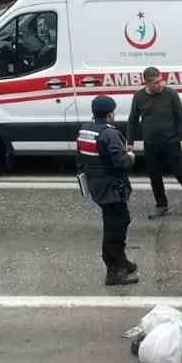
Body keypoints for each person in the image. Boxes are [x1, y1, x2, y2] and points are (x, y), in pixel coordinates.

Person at [127, 66, 182, 220]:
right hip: (150, 144)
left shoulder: (170, 94)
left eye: (161, 80)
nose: (160, 84)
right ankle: (162, 205)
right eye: (156, 82)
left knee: (180, 173)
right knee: (154, 175)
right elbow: (133, 120)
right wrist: (130, 141)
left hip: (171, 142)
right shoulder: (139, 97)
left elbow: (181, 116)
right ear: (147, 83)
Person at [78, 94, 138, 286]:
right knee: (115, 227)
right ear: (110, 113)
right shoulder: (109, 133)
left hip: (97, 185)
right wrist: (130, 157)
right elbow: (121, 162)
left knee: (119, 221)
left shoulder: (85, 130)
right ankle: (114, 271)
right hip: (112, 188)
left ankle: (122, 261)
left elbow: (81, 158)